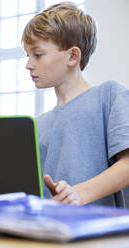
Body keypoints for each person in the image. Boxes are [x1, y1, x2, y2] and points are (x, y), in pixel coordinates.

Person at [22, 2, 129, 206]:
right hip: (52, 232)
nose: (28, 64)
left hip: (103, 234)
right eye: (27, 55)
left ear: (72, 56)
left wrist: (79, 193)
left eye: (37, 54)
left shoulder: (110, 96)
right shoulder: (38, 125)